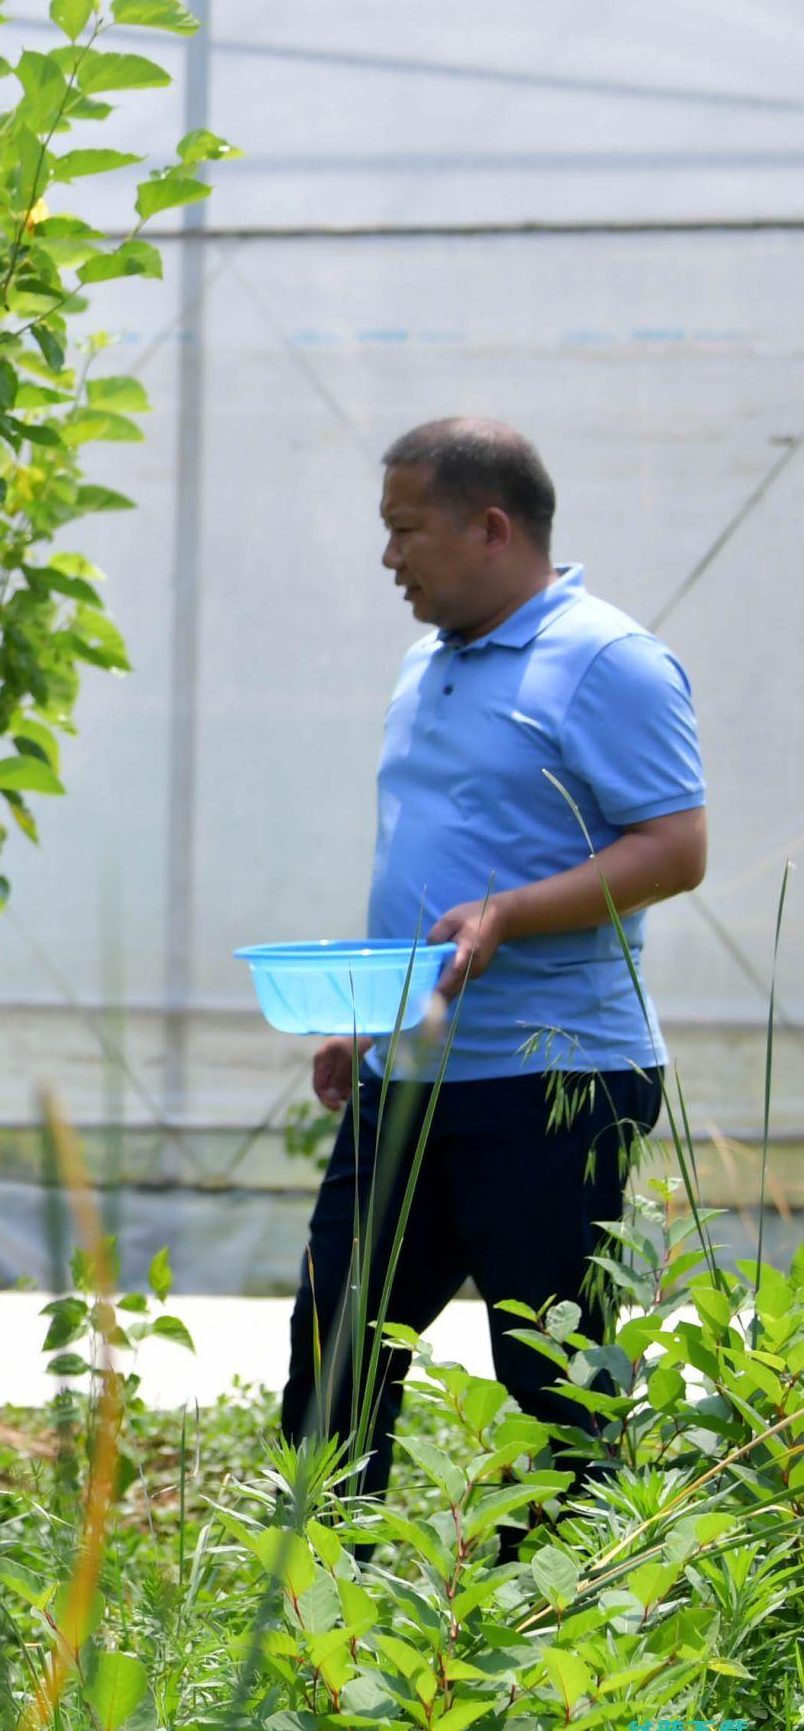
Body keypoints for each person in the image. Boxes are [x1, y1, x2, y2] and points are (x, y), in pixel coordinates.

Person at [281, 418, 703, 1507]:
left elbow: (675, 845)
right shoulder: (428, 662)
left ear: (492, 527)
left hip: (550, 1080)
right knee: (337, 1350)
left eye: (406, 529)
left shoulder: (611, 661)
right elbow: (440, 865)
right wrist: (373, 1015)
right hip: (409, 1077)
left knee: (554, 1375)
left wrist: (509, 915)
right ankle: (326, 1622)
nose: (388, 557)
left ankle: (574, 1626)